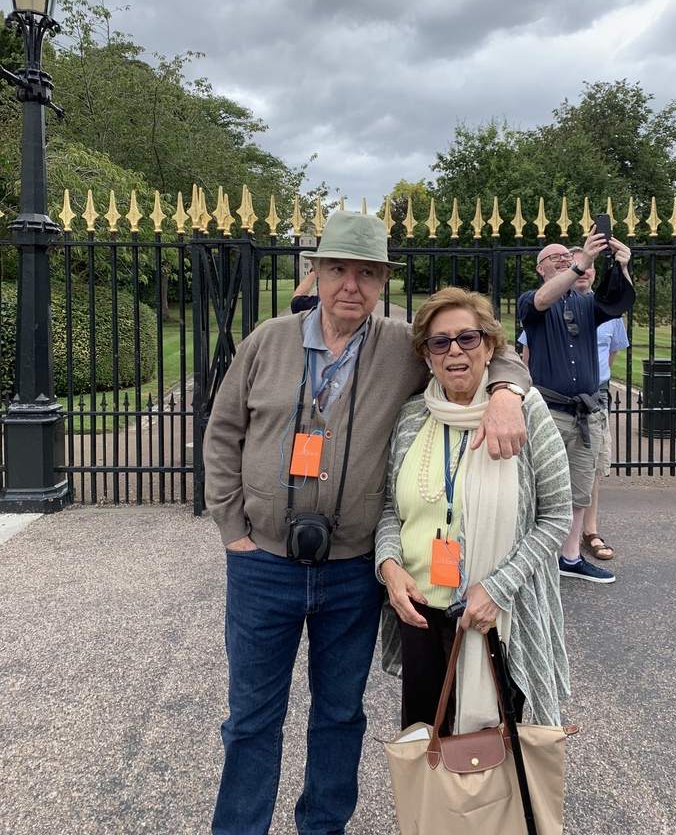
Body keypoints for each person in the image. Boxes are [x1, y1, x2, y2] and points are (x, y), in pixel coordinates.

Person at [203, 211, 532, 835]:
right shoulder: (268, 341)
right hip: (263, 564)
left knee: (338, 714)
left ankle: (323, 828)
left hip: (352, 571)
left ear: (382, 281)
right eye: (337, 270)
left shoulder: (401, 345)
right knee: (250, 718)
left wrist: (510, 391)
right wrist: (231, 528)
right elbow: (222, 433)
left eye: (366, 273)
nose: (350, 285)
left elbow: (490, 347)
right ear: (316, 272)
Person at [376, 288, 573, 738]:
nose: (455, 351)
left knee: (495, 753)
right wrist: (389, 567)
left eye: (468, 338)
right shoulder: (411, 417)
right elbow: (390, 507)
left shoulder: (523, 411)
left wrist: (498, 588)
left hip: (495, 615)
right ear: (426, 356)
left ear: (489, 346)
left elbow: (557, 516)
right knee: (427, 746)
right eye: (439, 342)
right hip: (420, 612)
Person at [517, 229, 634, 584]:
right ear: (540, 269)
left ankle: (569, 558)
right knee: (537, 487)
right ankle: (533, 558)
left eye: (566, 257)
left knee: (580, 490)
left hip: (586, 413)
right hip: (548, 413)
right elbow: (541, 301)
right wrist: (580, 262)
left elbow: (617, 302)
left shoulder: (587, 304)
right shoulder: (530, 301)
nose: (564, 261)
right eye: (555, 258)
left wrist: (622, 267)